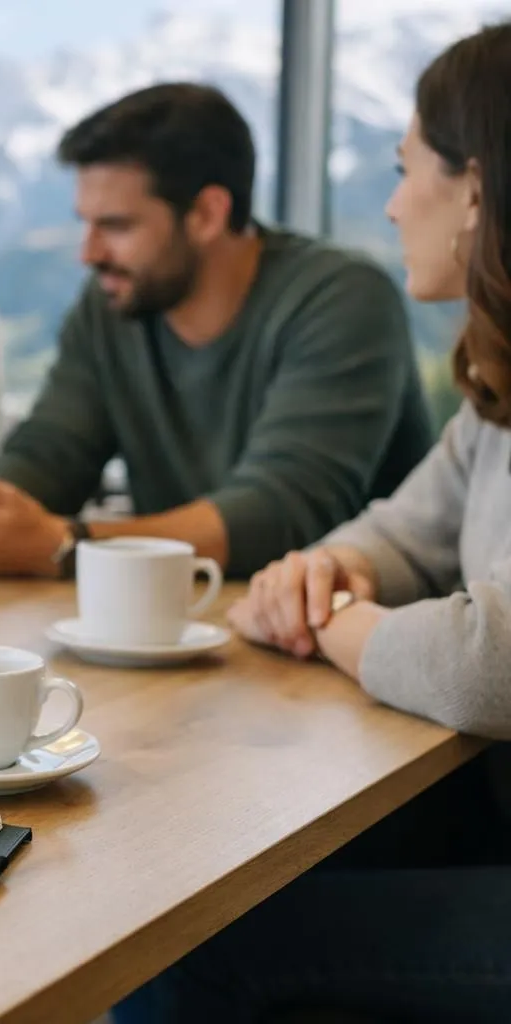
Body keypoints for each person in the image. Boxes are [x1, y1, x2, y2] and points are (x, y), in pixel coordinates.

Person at [118, 22, 511, 1023]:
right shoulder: (496, 402)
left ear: (475, 191)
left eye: (405, 169)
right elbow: (403, 532)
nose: (390, 203)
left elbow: (488, 665)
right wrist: (328, 567)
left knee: (194, 956)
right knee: (203, 882)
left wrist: (327, 619)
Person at [0, 84, 435, 581]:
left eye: (116, 226)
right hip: (183, 618)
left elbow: (280, 512)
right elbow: (52, 453)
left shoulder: (341, 299)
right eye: (85, 223)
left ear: (207, 214)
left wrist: (65, 546)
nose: (89, 253)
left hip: (334, 628)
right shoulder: (113, 306)